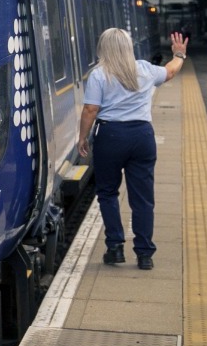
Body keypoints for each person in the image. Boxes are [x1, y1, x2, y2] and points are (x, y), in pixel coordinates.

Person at [77, 28, 188, 270]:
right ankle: (145, 254)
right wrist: (179, 55)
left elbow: (90, 110)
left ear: (103, 48)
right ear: (129, 47)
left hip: (111, 136)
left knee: (107, 193)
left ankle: (115, 248)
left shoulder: (99, 75)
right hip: (142, 137)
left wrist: (82, 138)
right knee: (143, 199)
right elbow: (170, 71)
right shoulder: (145, 69)